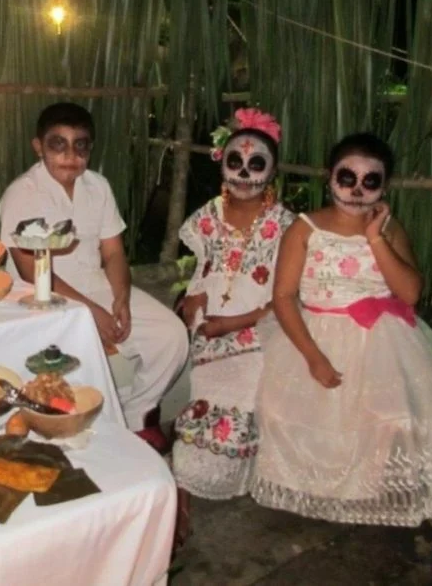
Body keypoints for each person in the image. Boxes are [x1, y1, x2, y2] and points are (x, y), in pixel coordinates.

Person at [251, 133, 432, 526]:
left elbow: (410, 292)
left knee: (376, 423)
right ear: (329, 177)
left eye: (371, 181)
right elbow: (283, 297)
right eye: (347, 177)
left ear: (384, 186)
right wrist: (313, 356)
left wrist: (375, 239)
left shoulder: (389, 229)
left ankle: (363, 493)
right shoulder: (304, 228)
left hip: (380, 342)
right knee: (305, 416)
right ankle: (316, 490)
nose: (356, 190)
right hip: (317, 335)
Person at [0, 102, 188, 439]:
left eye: (80, 145)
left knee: (171, 335)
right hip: (38, 295)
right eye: (58, 144)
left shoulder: (97, 186)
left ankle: (134, 412)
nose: (70, 155)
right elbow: (30, 271)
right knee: (76, 344)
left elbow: (113, 253)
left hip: (94, 283)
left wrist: (122, 299)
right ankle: (75, 424)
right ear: (38, 146)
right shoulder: (21, 193)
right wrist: (91, 311)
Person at [173, 109, 295, 539]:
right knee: (200, 411)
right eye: (235, 163)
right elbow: (202, 267)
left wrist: (237, 322)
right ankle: (183, 495)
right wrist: (189, 297)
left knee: (241, 414)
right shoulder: (208, 214)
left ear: (273, 170)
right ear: (221, 164)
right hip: (207, 333)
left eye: (256, 164)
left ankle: (230, 486)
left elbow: (288, 296)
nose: (244, 174)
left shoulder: (286, 226)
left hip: (258, 334)